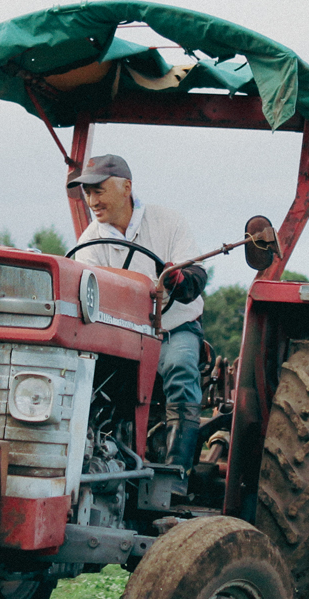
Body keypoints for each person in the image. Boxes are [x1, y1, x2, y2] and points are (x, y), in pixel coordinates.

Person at [67, 154, 209, 469]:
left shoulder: (168, 222)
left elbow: (196, 279)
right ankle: (102, 456)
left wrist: (177, 278)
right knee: (89, 376)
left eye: (99, 190)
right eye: (87, 192)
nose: (92, 200)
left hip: (173, 328)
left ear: (126, 187)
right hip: (121, 337)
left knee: (181, 366)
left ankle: (176, 470)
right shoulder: (90, 242)